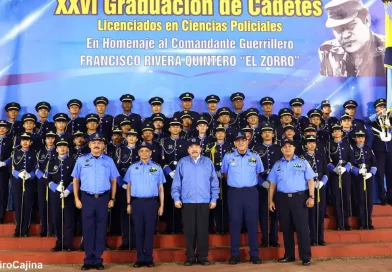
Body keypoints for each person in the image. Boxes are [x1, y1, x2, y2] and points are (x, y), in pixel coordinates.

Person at [72, 133, 119, 270]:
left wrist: (112, 198)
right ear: (90, 145)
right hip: (86, 198)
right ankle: (87, 259)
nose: (96, 145)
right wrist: (76, 198)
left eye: (99, 142)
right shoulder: (81, 160)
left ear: (103, 145)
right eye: (94, 142)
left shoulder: (109, 161)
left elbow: (114, 180)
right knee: (87, 229)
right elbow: (76, 180)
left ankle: (98, 259)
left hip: (103, 198)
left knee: (101, 229)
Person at [171, 138, 219, 266]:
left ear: (201, 148)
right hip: (187, 202)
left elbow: (214, 183)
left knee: (203, 230)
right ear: (188, 150)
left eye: (197, 146)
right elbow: (176, 183)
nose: (194, 149)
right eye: (191, 147)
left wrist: (214, 198)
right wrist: (176, 198)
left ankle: (203, 256)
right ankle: (190, 257)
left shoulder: (208, 162)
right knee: (189, 231)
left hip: (204, 201)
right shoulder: (182, 162)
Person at [268, 138, 315, 266]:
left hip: (299, 198)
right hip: (282, 199)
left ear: (294, 148)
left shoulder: (302, 162)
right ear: (282, 149)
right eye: (285, 147)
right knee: (286, 228)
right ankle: (289, 255)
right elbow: (272, 184)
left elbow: (311, 180)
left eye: (290, 146)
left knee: (302, 228)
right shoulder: (277, 165)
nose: (287, 148)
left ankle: (305, 257)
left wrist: (311, 197)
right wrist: (270, 201)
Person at [221, 132, 263, 265]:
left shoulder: (255, 156)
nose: (241, 143)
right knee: (235, 223)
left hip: (251, 192)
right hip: (234, 193)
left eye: (243, 140)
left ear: (247, 141)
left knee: (252, 222)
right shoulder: (228, 157)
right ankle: (234, 254)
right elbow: (225, 173)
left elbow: (258, 173)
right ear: (234, 143)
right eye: (238, 141)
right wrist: (237, 183)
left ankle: (254, 254)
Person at [124, 142, 165, 268]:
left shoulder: (157, 168)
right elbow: (128, 187)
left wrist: (161, 205)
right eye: (141, 151)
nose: (144, 153)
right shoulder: (132, 168)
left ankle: (149, 258)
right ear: (138, 153)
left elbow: (161, 188)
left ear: (151, 153)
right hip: (136, 203)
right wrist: (128, 203)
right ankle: (139, 258)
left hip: (151, 203)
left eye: (147, 151)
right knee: (138, 231)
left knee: (149, 231)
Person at [319, 0, 385, 77]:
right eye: (338, 29)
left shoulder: (388, 49)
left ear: (366, 20)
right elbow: (328, 86)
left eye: (351, 26)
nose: (345, 35)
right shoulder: (327, 51)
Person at [252, 122, 281, 248]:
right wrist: (260, 182)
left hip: (277, 184)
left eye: (270, 132)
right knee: (263, 212)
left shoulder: (278, 148)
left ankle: (274, 238)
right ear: (262, 134)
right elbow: (252, 168)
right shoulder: (256, 149)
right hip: (261, 184)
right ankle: (265, 238)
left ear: (273, 134)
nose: (267, 134)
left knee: (275, 213)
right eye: (265, 132)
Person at [45, 137, 76, 251]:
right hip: (55, 195)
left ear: (67, 148)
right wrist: (54, 186)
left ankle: (68, 243)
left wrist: (69, 190)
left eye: (64, 146)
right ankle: (59, 242)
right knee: (57, 218)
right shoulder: (51, 162)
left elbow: (76, 178)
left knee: (69, 219)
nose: (62, 148)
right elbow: (46, 179)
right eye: (59, 146)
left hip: (69, 194)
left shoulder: (73, 161)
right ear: (56, 149)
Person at [8, 132, 37, 237]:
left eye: (27, 140)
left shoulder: (34, 154)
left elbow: (36, 168)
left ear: (31, 142)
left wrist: (31, 175)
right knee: (18, 204)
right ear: (20, 141)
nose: (25, 142)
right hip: (17, 181)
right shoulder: (15, 153)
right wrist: (17, 174)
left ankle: (25, 230)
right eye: (23, 140)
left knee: (27, 206)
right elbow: (11, 167)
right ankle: (18, 229)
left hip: (29, 181)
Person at [302, 135, 328, 246]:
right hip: (308, 189)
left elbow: (326, 173)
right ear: (306, 145)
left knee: (320, 213)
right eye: (309, 142)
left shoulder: (320, 157)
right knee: (310, 214)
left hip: (320, 188)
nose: (312, 144)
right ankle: (312, 238)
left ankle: (320, 238)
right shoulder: (302, 158)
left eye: (313, 142)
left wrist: (322, 182)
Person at [351, 129, 377, 229]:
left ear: (365, 138)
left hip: (368, 176)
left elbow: (374, 163)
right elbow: (351, 164)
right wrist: (357, 171)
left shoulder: (368, 149)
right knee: (360, 199)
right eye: (358, 137)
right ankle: (361, 222)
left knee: (369, 199)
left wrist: (371, 173)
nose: (360, 139)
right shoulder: (352, 149)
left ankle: (368, 222)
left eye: (362, 137)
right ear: (355, 138)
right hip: (358, 177)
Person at [0, 121, 13, 224]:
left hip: (3, 170)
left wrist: (5, 163)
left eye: (4, 127)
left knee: (2, 192)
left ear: (7, 129)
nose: (2, 129)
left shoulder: (10, 141)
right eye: (0, 127)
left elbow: (12, 155)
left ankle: (1, 216)